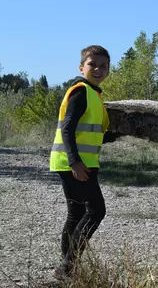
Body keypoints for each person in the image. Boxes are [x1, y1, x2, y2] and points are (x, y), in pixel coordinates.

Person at [49, 45, 118, 279]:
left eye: (103, 65)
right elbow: (67, 128)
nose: (98, 69)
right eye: (92, 64)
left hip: (78, 162)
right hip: (75, 163)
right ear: (81, 67)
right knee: (97, 210)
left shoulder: (94, 94)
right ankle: (67, 266)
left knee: (76, 213)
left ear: (109, 69)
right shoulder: (81, 91)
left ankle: (67, 269)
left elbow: (91, 132)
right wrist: (75, 162)